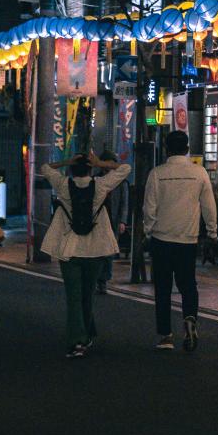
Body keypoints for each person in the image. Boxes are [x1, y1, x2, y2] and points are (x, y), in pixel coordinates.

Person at [41, 151, 131, 358]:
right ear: (91, 169)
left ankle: (77, 341)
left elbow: (44, 168)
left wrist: (66, 161)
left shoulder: (63, 185)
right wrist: (101, 163)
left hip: (69, 249)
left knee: (73, 296)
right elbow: (126, 169)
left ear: (72, 169)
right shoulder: (100, 185)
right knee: (87, 294)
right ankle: (87, 333)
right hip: (96, 249)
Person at [143, 130, 217, 352]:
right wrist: (212, 233)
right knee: (188, 285)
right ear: (187, 149)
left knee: (163, 288)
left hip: (161, 238)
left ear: (166, 149)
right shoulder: (199, 173)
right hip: (188, 239)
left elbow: (149, 208)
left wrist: (147, 232)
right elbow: (209, 206)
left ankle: (166, 335)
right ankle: (190, 318)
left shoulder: (157, 174)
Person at [97, 153, 129, 294]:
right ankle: (98, 279)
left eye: (111, 163)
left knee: (108, 252)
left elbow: (124, 203)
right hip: (97, 221)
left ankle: (103, 280)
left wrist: (123, 221)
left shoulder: (120, 181)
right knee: (97, 252)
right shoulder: (97, 178)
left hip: (113, 220)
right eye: (106, 163)